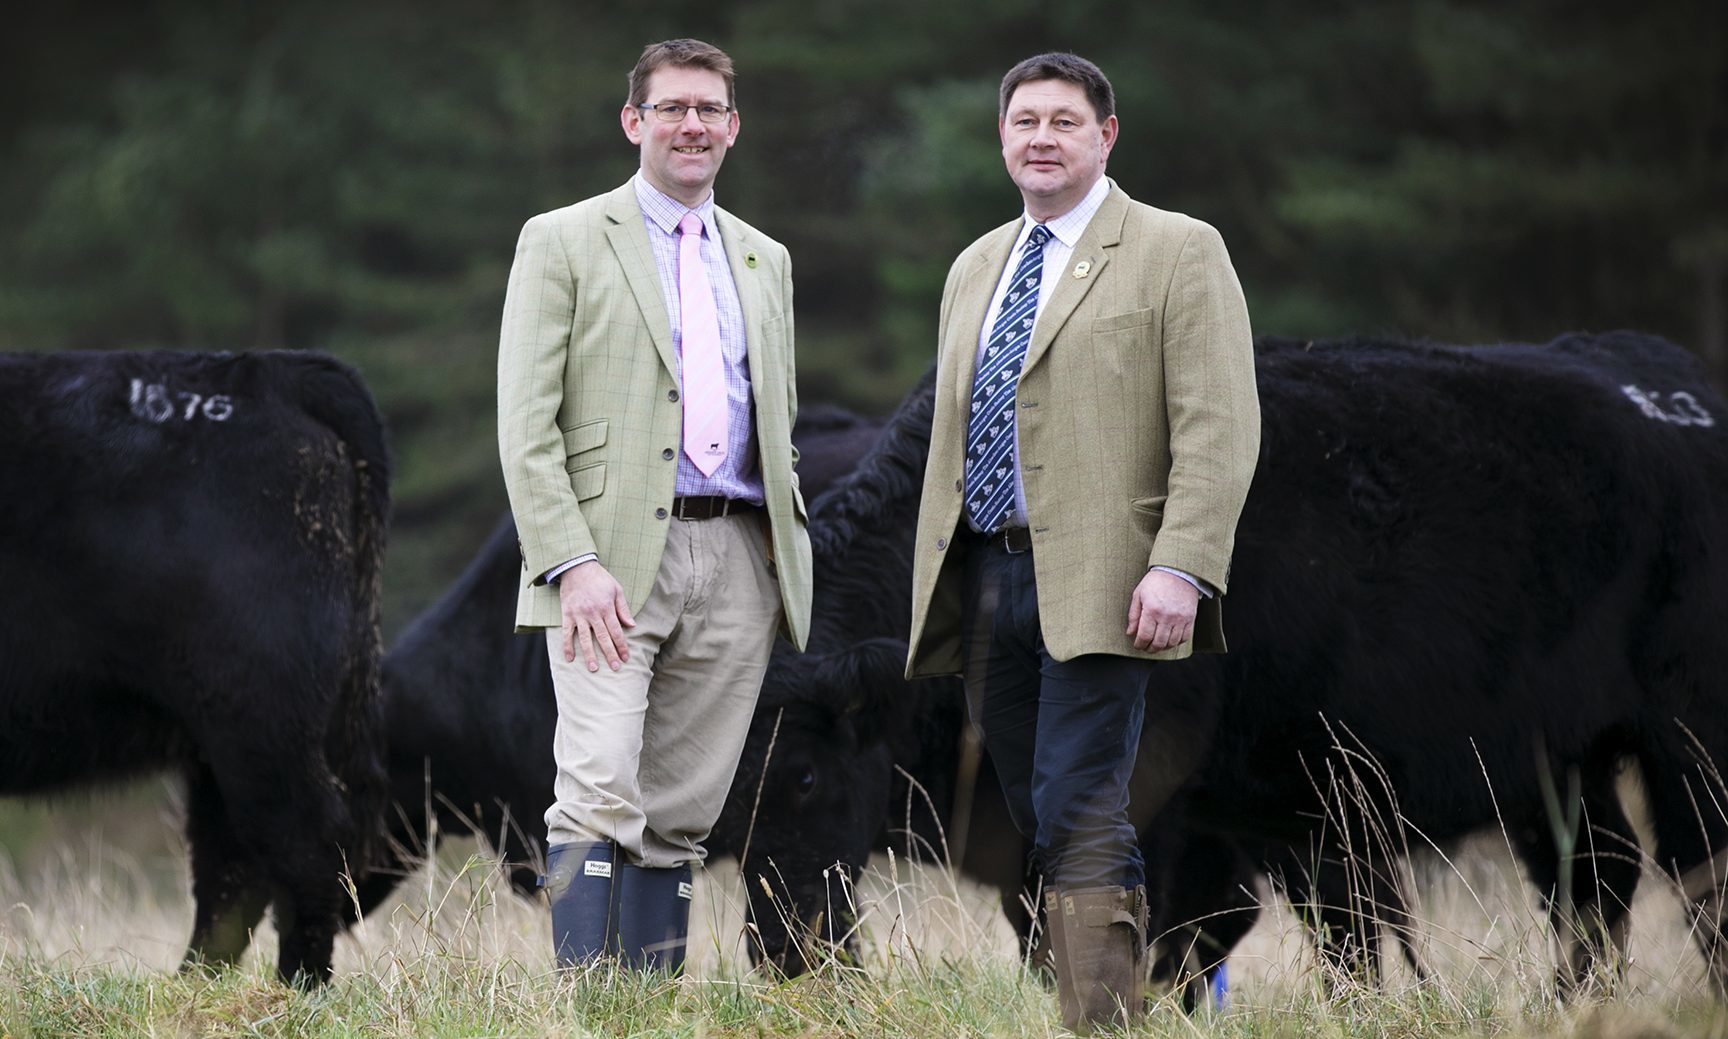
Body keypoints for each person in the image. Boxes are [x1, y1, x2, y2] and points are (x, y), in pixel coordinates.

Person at [904, 53, 1260, 1029]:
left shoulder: (1177, 249)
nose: (1042, 137)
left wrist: (1182, 563)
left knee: (1080, 797)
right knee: (1037, 802)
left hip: (1109, 577)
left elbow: (1219, 424)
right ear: (1003, 139)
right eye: (1025, 121)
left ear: (1106, 136)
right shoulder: (977, 264)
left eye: (1065, 121)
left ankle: (1102, 1016)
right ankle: (1119, 995)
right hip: (987, 576)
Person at [497, 38, 811, 974]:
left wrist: (773, 554)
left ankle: (645, 1011)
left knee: (682, 812)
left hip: (739, 559)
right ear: (634, 121)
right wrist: (570, 561)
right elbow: (525, 422)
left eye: (708, 109)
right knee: (596, 789)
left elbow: (776, 418)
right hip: (607, 560)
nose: (691, 125)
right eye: (671, 107)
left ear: (733, 128)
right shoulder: (561, 238)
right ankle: (588, 1013)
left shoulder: (765, 257)